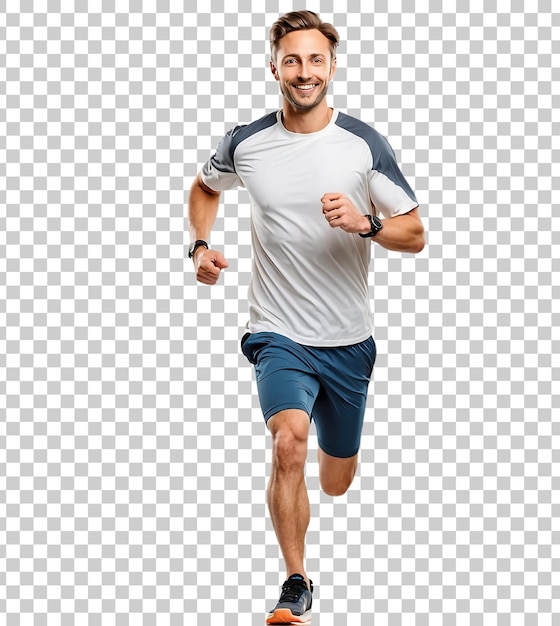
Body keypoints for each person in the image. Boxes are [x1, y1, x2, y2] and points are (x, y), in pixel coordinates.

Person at [187, 10, 425, 624]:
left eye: (315, 59)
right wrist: (199, 246)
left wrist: (366, 223)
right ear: (273, 68)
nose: (304, 72)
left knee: (337, 478)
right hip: (277, 333)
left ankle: (336, 451)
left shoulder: (362, 144)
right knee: (288, 442)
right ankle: (296, 582)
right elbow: (204, 188)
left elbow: (416, 232)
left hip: (349, 341)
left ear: (332, 67)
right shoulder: (247, 142)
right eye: (292, 60)